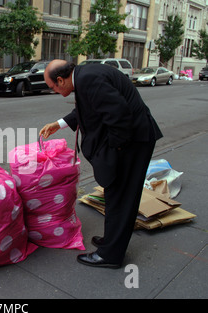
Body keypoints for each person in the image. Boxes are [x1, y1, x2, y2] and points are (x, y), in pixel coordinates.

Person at [39, 59, 163, 268]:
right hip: (129, 141)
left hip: (133, 143)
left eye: (52, 87)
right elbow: (88, 108)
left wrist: (115, 151)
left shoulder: (89, 79)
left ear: (60, 80)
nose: (54, 91)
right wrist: (59, 124)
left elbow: (120, 117)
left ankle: (110, 255)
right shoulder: (84, 76)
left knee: (122, 197)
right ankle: (111, 241)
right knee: (115, 194)